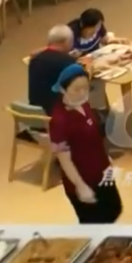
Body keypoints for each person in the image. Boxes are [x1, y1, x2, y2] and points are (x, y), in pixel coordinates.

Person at [49, 64, 123, 223]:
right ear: (63, 89)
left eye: (86, 88)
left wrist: (105, 157)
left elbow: (92, 135)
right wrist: (80, 186)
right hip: (84, 178)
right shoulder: (59, 120)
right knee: (96, 223)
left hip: (102, 172)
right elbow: (64, 160)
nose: (82, 93)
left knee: (114, 210)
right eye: (76, 89)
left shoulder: (84, 104)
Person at [29, 25, 79, 115]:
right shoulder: (67, 62)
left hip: (35, 112)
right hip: (57, 114)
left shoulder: (35, 60)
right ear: (67, 42)